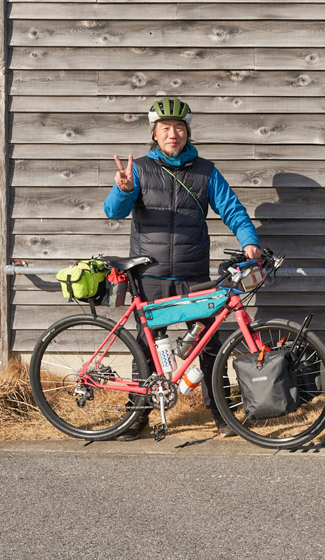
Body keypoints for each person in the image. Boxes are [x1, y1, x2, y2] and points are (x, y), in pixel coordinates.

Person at [104, 97, 262, 440]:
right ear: (154, 135)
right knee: (146, 347)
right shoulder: (140, 170)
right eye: (165, 129)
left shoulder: (206, 171)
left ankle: (222, 412)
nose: (172, 134)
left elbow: (232, 209)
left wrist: (249, 241)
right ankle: (138, 416)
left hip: (193, 273)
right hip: (150, 273)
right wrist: (123, 188)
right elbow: (113, 212)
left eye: (178, 128)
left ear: (187, 132)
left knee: (209, 342)